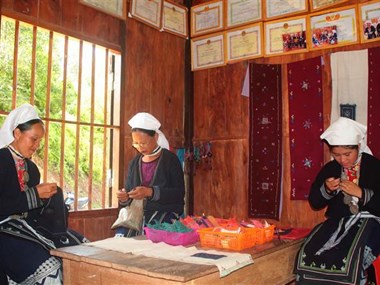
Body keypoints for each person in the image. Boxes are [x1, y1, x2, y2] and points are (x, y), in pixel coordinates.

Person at [295, 117, 380, 284]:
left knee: (350, 258)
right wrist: (326, 189)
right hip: (337, 223)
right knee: (309, 252)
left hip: (371, 224)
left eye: (347, 154)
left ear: (358, 147)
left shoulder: (375, 167)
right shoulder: (331, 168)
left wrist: (362, 193)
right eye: (337, 155)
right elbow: (315, 202)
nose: (342, 160)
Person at [0, 104, 63, 284]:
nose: (36, 146)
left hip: (25, 228)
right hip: (3, 232)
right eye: (33, 139)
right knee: (50, 268)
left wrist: (46, 199)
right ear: (17, 133)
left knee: (73, 249)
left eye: (39, 141)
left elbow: (31, 210)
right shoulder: (1, 160)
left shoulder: (32, 169)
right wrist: (34, 195)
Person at [114, 112, 185, 237]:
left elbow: (179, 194)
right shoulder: (134, 163)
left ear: (156, 137)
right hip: (136, 215)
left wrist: (150, 192)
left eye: (143, 143)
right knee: (121, 240)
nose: (140, 147)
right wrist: (125, 197)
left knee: (154, 237)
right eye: (136, 143)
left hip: (165, 213)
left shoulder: (170, 160)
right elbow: (129, 196)